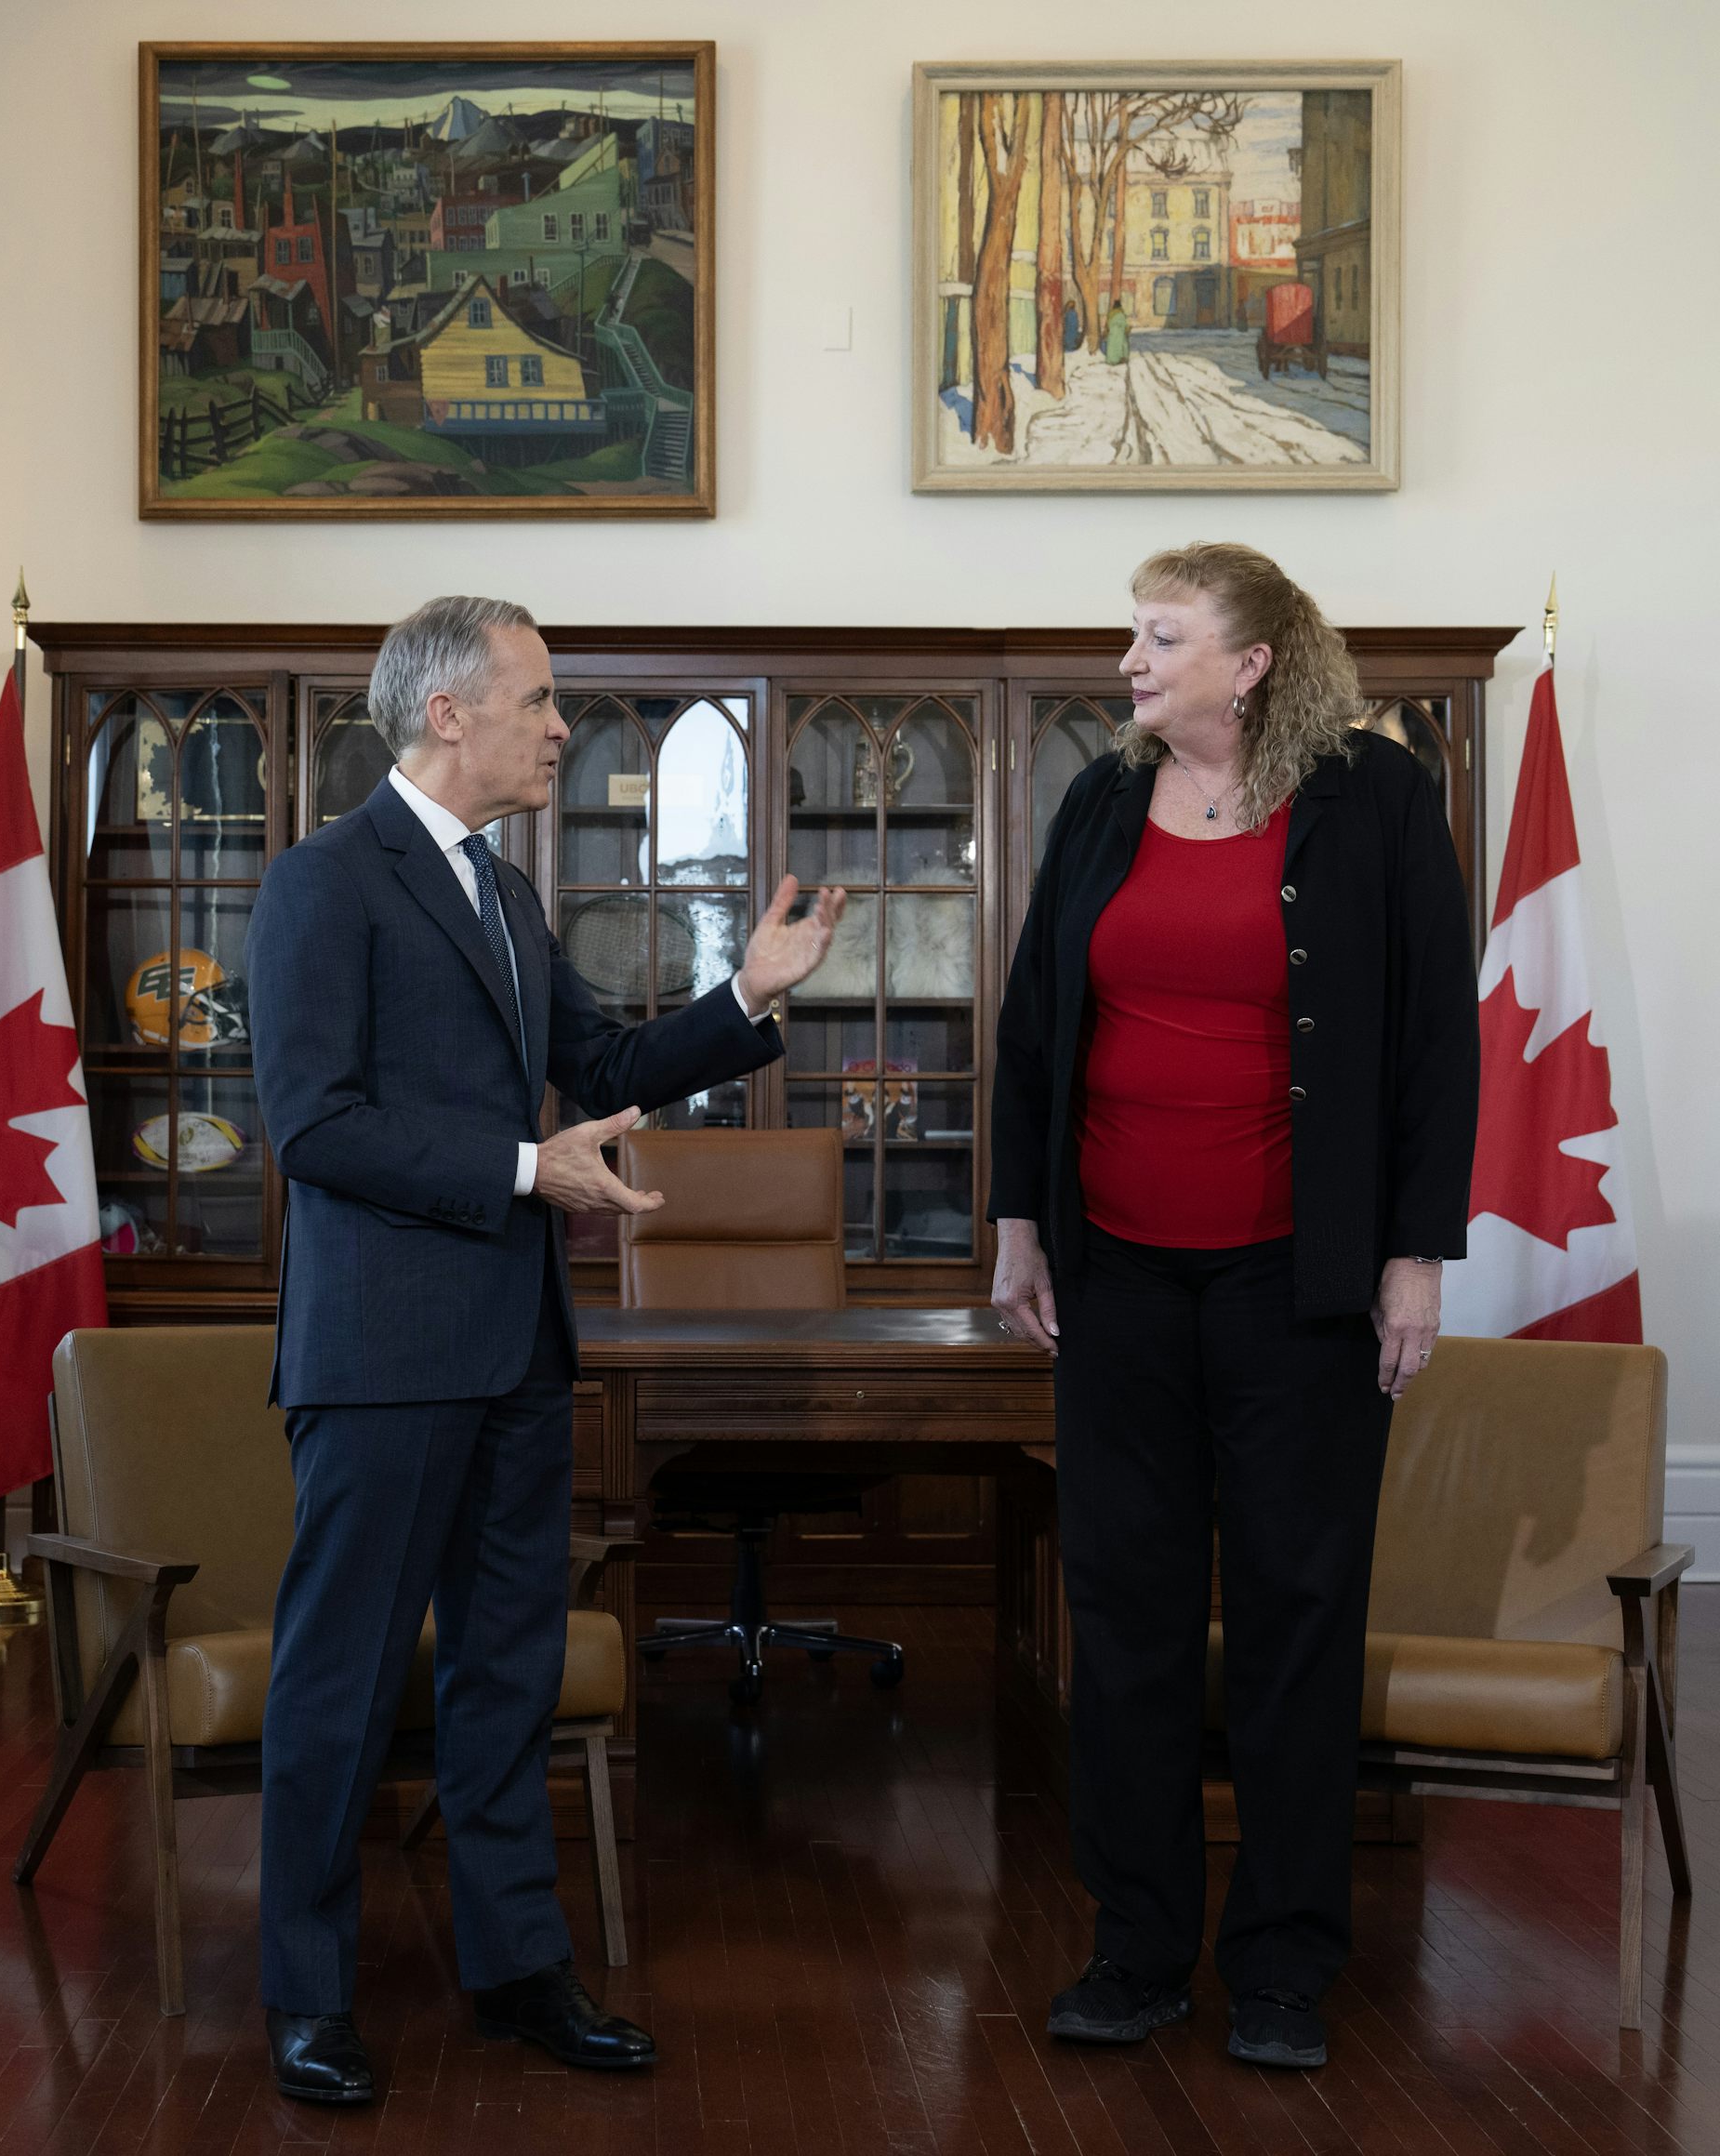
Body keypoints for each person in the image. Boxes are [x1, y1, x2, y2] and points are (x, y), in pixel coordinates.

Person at [246, 596, 845, 2106]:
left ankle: (517, 1969)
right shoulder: (324, 882)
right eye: (539, 699)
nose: (564, 727)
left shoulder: (506, 897)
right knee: (342, 1682)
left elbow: (610, 1067)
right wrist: (528, 1169)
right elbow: (314, 1128)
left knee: (506, 1676)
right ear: (446, 711)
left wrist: (745, 999)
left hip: (517, 1354)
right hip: (383, 1359)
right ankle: (307, 1996)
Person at [988, 543, 1477, 2071]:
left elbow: (1434, 1038)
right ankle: (1136, 1951)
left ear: (1251, 663)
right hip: (1118, 1279)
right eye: (1132, 637)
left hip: (1299, 1284)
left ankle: (1281, 1966)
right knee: (1125, 1622)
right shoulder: (1098, 800)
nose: (1128, 663)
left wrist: (1416, 1252)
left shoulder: (1375, 799)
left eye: (1159, 637)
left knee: (1294, 1620)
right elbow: (1033, 1027)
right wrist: (1018, 1222)